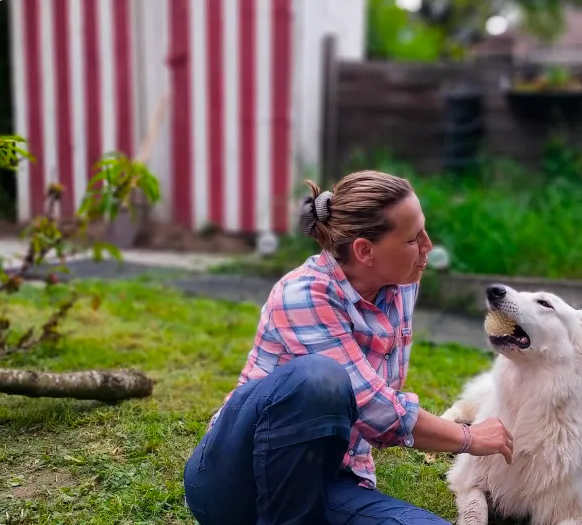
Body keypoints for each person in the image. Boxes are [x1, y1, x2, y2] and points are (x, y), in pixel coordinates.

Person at [183, 170, 514, 525]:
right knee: (322, 377)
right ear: (364, 250)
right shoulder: (304, 294)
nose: (428, 246)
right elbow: (374, 407)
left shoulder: (399, 284)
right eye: (413, 238)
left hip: (324, 482)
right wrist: (469, 436)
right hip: (235, 483)